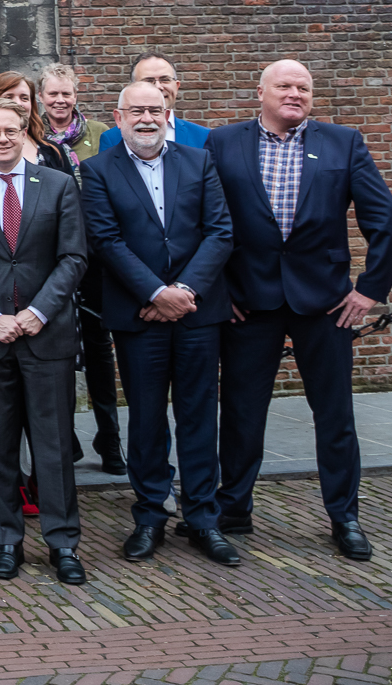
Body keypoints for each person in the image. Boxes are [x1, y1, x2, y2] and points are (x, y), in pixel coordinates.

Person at [206, 59, 392, 560]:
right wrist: (219, 292)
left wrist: (368, 290)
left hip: (326, 304)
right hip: (249, 303)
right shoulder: (223, 143)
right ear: (261, 93)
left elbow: (385, 217)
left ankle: (345, 516)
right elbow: (204, 221)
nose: (295, 93)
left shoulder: (344, 142)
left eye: (304, 87)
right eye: (285, 86)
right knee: (243, 412)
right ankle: (234, 508)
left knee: (334, 416)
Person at [80, 81, 240, 566]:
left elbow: (220, 231)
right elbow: (105, 241)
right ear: (119, 116)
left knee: (197, 416)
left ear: (169, 113)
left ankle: (202, 519)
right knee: (146, 419)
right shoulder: (98, 170)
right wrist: (154, 293)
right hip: (137, 316)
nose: (147, 118)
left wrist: (182, 293)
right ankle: (149, 516)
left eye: (156, 110)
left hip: (197, 313)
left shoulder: (199, 162)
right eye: (137, 111)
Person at [0, 97, 90, 584]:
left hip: (46, 336)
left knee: (51, 448)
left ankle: (63, 543)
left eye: (11, 131)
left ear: (25, 133)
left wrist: (36, 313)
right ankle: (7, 540)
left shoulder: (58, 185)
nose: (2, 139)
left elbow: (73, 258)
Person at [36, 65, 125, 476]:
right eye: (52, 94)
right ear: (41, 97)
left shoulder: (103, 135)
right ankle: (66, 439)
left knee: (99, 349)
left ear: (76, 95)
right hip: (53, 255)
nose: (59, 101)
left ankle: (109, 438)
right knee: (60, 350)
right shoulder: (34, 139)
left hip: (95, 255)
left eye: (66, 94)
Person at [97, 53, 211, 151]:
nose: (158, 87)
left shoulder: (204, 137)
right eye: (148, 81)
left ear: (177, 86)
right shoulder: (112, 139)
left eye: (165, 79)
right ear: (132, 87)